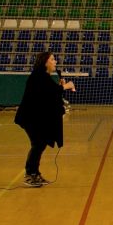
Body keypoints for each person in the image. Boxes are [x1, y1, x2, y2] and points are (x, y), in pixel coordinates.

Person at [15, 52, 74, 187]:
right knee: (38, 144)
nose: (55, 62)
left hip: (35, 118)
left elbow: (50, 94)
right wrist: (66, 86)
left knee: (40, 144)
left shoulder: (44, 77)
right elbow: (50, 91)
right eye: (52, 59)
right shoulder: (38, 76)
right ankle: (30, 175)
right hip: (29, 117)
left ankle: (34, 173)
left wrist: (60, 86)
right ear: (45, 62)